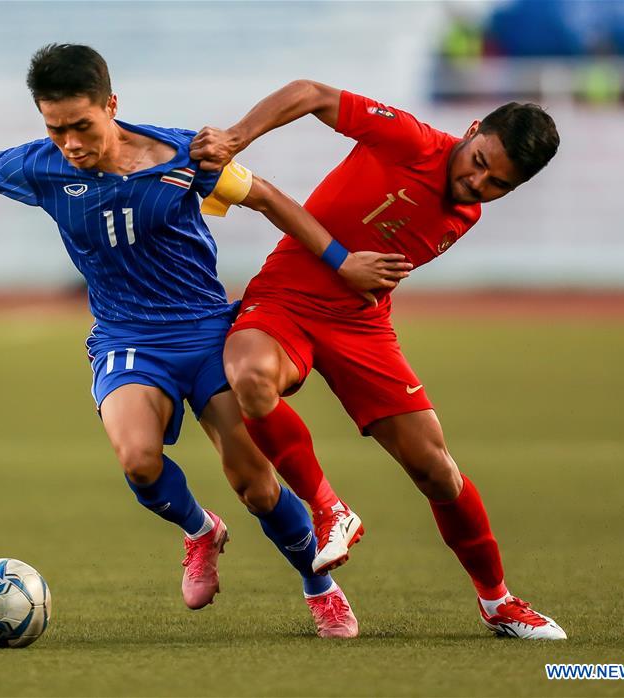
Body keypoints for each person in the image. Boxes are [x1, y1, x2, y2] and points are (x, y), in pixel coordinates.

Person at [0, 48, 409, 638]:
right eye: (56, 129)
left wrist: (341, 262)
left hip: (207, 331)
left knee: (256, 484)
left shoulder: (184, 154)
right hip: (127, 338)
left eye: (82, 125)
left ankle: (319, 586)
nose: (71, 143)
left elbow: (268, 199)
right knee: (137, 459)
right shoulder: (40, 166)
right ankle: (201, 530)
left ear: (111, 105)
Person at [190, 80, 567, 640]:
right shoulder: (410, 139)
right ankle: (327, 508)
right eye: (479, 162)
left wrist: (357, 277)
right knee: (249, 376)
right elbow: (311, 93)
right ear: (470, 132)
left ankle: (498, 602)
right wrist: (237, 137)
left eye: (499, 184)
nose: (477, 182)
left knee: (436, 469)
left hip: (361, 325)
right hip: (287, 296)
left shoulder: (467, 212)